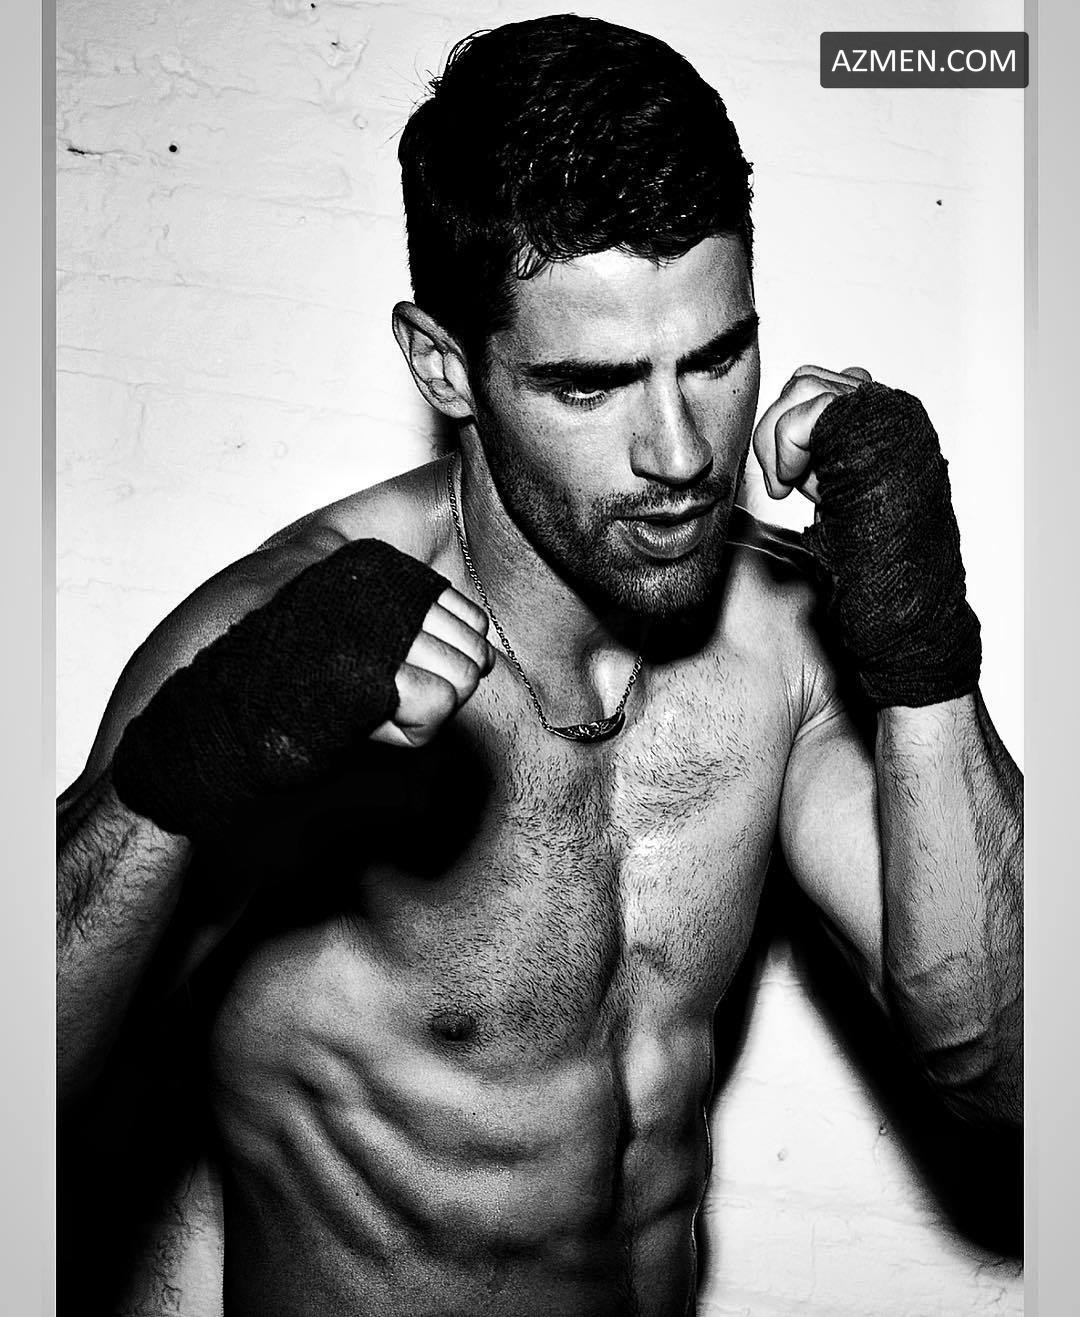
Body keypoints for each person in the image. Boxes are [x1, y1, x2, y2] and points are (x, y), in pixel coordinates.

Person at [56, 14, 1022, 1316]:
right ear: (444, 364)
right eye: (589, 385)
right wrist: (178, 777)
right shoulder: (276, 659)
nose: (681, 453)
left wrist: (921, 640)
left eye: (716, 358)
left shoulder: (779, 642)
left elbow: (1018, 1086)